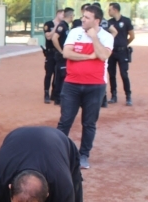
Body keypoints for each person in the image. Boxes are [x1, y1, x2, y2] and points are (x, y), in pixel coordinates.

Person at [57, 5, 113, 170]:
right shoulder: (75, 32)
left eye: (87, 17)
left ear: (97, 21)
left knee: (89, 123)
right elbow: (67, 53)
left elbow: (103, 56)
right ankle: (58, 152)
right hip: (72, 84)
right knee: (65, 121)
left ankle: (84, 155)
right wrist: (88, 56)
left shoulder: (107, 37)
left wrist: (94, 37)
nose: (82, 19)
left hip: (95, 86)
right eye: (83, 16)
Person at [107, 2, 134, 106]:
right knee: (112, 74)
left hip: (123, 52)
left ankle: (128, 96)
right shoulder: (109, 22)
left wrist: (124, 44)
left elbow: (132, 36)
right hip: (112, 52)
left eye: (110, 10)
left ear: (115, 10)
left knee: (124, 74)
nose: (108, 11)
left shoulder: (126, 21)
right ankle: (113, 95)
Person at [51, 7, 75, 106]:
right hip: (61, 56)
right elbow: (54, 38)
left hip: (63, 55)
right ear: (70, 16)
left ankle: (59, 96)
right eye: (73, 15)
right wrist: (61, 51)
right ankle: (58, 98)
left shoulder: (66, 26)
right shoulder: (62, 26)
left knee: (62, 76)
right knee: (61, 76)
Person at [43, 9, 63, 104]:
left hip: (58, 53)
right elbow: (49, 36)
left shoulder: (64, 26)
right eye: (62, 14)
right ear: (58, 14)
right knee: (49, 73)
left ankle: (54, 93)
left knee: (57, 74)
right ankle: (46, 93)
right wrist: (56, 27)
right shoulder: (49, 24)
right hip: (50, 52)